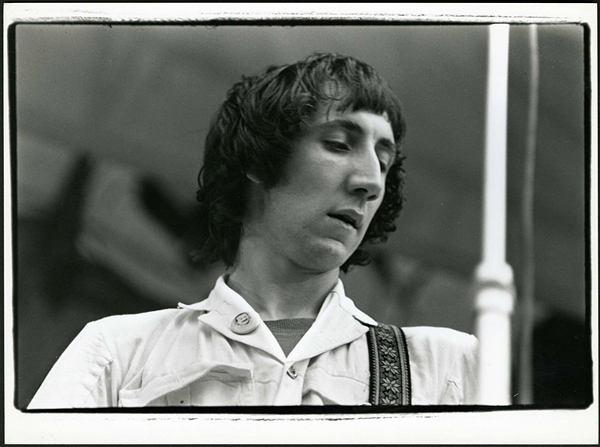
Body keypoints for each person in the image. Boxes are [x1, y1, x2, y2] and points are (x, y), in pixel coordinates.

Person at [28, 52, 477, 408]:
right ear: (261, 162)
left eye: (384, 163)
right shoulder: (119, 353)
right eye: (340, 144)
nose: (371, 181)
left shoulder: (443, 367)